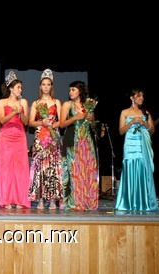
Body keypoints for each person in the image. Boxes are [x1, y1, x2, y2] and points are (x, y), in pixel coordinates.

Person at [115, 88, 159, 211]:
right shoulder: (124, 112)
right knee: (129, 168)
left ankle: (143, 202)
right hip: (130, 145)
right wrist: (132, 122)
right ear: (132, 98)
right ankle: (128, 202)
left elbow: (152, 131)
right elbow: (121, 131)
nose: (141, 98)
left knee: (142, 170)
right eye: (139, 96)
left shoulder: (146, 112)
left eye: (142, 96)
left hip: (142, 145)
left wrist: (145, 124)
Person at [60, 81, 99, 210]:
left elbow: (93, 126)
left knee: (86, 170)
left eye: (73, 90)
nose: (70, 92)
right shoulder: (67, 105)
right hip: (72, 141)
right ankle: (73, 202)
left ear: (80, 91)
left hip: (86, 142)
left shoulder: (88, 106)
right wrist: (75, 118)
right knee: (73, 170)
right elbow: (62, 124)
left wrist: (89, 117)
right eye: (70, 90)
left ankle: (86, 200)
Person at [28, 68, 62, 210]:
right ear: (40, 87)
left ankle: (53, 199)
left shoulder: (56, 102)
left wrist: (53, 125)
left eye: (48, 84)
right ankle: (41, 199)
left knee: (52, 167)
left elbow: (62, 121)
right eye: (44, 84)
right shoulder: (36, 103)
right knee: (40, 167)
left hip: (53, 136)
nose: (46, 87)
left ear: (51, 86)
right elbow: (30, 122)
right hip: (40, 137)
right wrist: (42, 122)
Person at [0, 71, 31, 209]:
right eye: (18, 87)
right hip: (6, 136)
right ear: (11, 88)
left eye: (21, 88)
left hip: (19, 136)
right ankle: (7, 199)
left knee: (20, 168)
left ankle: (19, 199)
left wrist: (20, 112)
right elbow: (2, 121)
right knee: (6, 168)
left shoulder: (24, 102)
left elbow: (26, 122)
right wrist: (13, 112)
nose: (20, 90)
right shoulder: (2, 102)